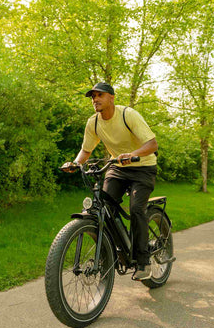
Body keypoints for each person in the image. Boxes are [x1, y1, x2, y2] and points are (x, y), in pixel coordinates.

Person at [62, 82, 159, 281]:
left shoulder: (127, 115)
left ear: (111, 98)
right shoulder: (94, 122)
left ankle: (143, 262)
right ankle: (116, 250)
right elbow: (87, 150)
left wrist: (132, 154)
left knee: (136, 208)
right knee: (104, 206)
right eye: (92, 97)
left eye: (99, 95)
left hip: (143, 167)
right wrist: (75, 163)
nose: (95, 100)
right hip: (118, 166)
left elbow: (152, 144)